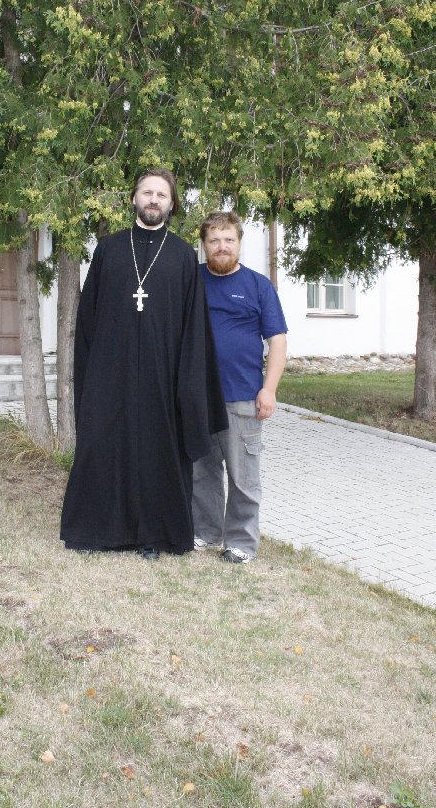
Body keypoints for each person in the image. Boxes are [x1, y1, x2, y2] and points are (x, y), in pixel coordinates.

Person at [60, 169, 228, 560]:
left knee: (158, 452)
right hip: (110, 371)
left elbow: (194, 326)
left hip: (162, 374)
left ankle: (155, 536)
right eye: (147, 192)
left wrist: (187, 385)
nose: (154, 200)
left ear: (172, 204)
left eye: (161, 195)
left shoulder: (183, 255)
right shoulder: (109, 249)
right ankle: (97, 532)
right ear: (134, 199)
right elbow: (88, 318)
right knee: (104, 446)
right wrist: (90, 373)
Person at [193, 210, 288, 564]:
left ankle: (241, 543)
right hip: (198, 398)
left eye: (228, 240)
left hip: (242, 397)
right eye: (214, 240)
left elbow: (278, 341)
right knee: (202, 472)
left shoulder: (258, 286)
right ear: (204, 245)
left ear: (239, 243)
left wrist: (269, 389)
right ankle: (206, 533)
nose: (222, 246)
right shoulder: (192, 280)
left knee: (243, 477)